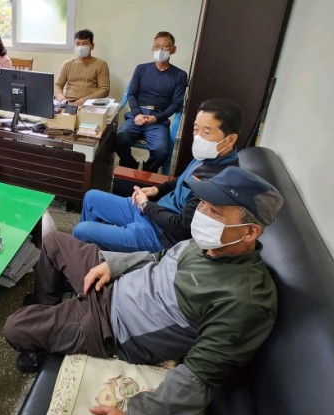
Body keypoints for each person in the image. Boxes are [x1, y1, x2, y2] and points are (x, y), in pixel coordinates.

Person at [4, 166, 284, 415]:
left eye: (215, 211)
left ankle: (48, 331)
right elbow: (158, 258)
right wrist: (113, 265)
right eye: (202, 204)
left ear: (250, 232)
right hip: (116, 282)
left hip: (110, 325)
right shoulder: (207, 245)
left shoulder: (244, 301)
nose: (201, 214)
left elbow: (199, 377)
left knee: (15, 327)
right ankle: (49, 318)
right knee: (53, 242)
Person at [74, 98, 241, 252]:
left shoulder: (218, 182)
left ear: (230, 139)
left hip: (159, 235)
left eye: (207, 132)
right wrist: (157, 189)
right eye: (196, 129)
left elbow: (181, 228)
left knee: (81, 230)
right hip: (153, 212)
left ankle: (93, 258)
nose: (198, 138)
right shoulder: (209, 155)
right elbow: (182, 180)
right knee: (91, 198)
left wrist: (146, 206)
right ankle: (91, 255)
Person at [116, 31, 188, 173]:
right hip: (137, 115)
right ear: (152, 49)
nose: (160, 50)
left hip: (158, 119)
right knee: (120, 140)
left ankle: (148, 171)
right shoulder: (141, 69)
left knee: (161, 150)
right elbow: (131, 94)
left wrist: (156, 118)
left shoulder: (180, 75)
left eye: (165, 46)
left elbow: (176, 103)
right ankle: (130, 165)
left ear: (173, 49)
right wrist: (137, 114)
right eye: (157, 46)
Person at [54, 29, 110, 106]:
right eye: (78, 44)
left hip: (90, 105)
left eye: (84, 43)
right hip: (68, 104)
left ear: (92, 46)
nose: (80, 47)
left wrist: (85, 100)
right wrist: (62, 98)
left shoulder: (101, 64)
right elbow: (57, 85)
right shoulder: (67, 64)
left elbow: (104, 90)